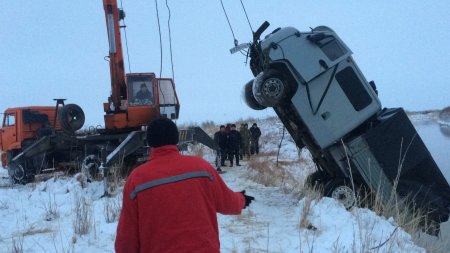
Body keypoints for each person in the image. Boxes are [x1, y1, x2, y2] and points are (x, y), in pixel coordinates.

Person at [115, 117, 255, 253]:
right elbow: (227, 201)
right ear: (177, 138)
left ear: (149, 141)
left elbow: (125, 242)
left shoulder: (136, 180)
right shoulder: (201, 168)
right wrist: (241, 200)